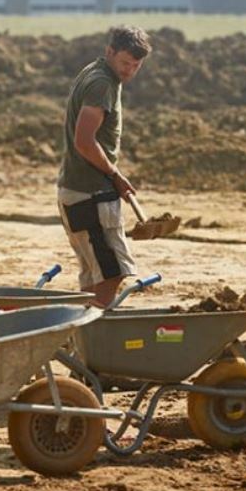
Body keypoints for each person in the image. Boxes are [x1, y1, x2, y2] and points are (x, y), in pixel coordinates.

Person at [56, 25, 150, 307]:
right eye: (124, 63)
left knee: (93, 275)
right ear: (109, 52)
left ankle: (85, 340)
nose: (129, 71)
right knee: (110, 273)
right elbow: (84, 142)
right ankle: (97, 338)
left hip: (76, 191)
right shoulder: (102, 84)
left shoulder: (95, 72)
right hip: (90, 194)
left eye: (136, 65)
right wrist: (115, 175)